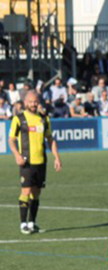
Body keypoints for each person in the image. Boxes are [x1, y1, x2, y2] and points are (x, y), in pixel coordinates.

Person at [8, 91, 62, 234]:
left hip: (41, 161)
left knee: (36, 193)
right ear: (26, 102)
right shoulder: (19, 119)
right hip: (26, 162)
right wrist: (16, 155)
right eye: (31, 102)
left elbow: (50, 139)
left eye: (35, 102)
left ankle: (32, 223)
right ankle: (22, 224)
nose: (33, 104)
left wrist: (56, 157)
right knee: (26, 190)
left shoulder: (44, 119)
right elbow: (11, 139)